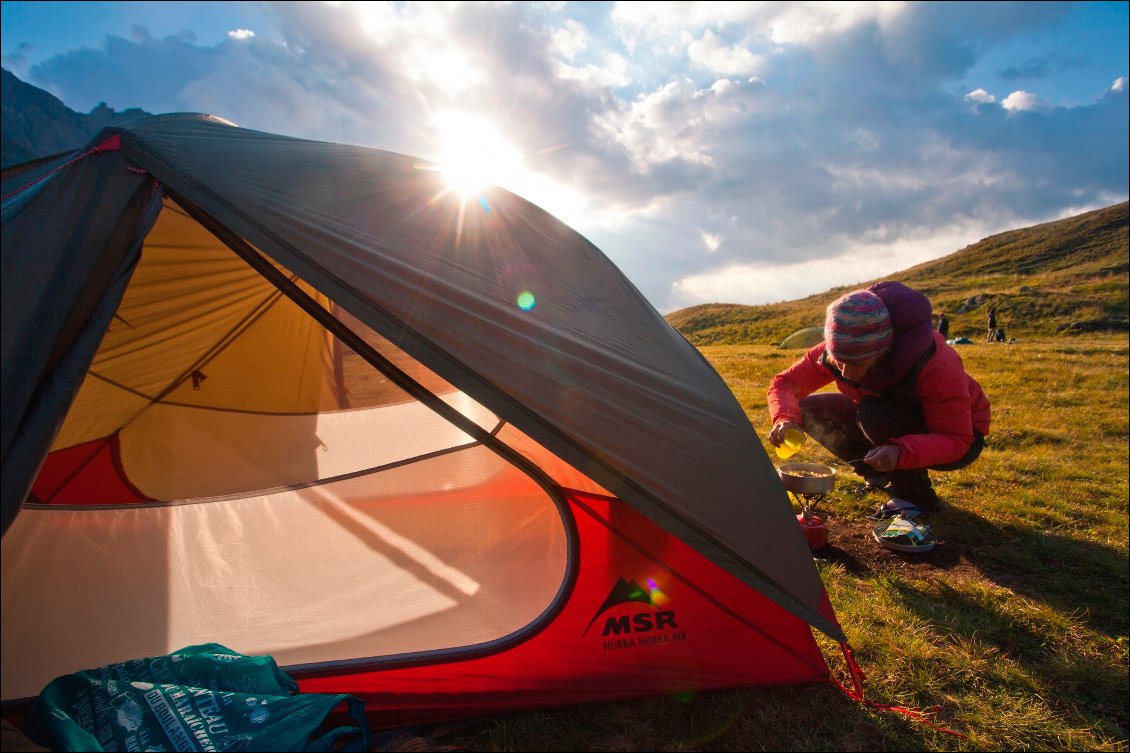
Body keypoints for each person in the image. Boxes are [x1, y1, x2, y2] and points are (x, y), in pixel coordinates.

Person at [767, 281, 991, 519]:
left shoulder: (935, 362)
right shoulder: (842, 346)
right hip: (884, 419)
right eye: (838, 361)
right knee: (808, 410)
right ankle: (876, 472)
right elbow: (785, 383)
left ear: (881, 352)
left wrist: (900, 452)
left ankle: (914, 497)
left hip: (961, 437)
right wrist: (784, 418)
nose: (845, 373)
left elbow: (956, 439)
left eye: (855, 364)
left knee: (875, 413)